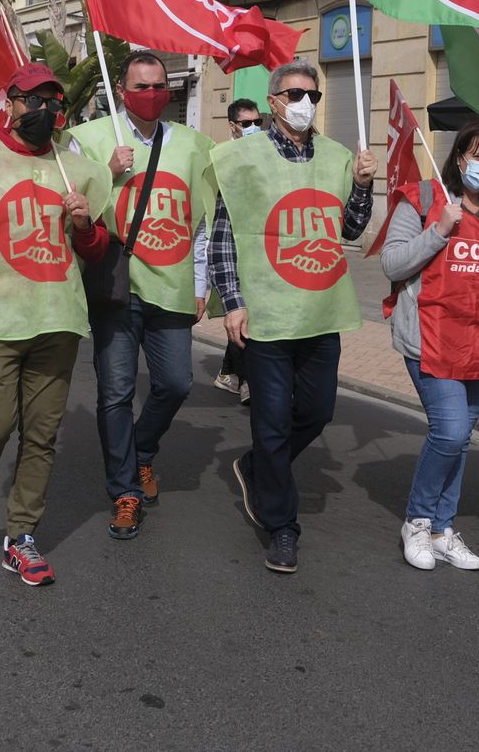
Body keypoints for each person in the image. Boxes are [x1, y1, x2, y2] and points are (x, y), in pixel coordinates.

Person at [0, 63, 110, 586]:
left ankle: (21, 536)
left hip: (56, 321)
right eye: (32, 100)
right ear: (9, 104)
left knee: (42, 434)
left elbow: (93, 251)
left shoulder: (77, 170)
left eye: (52, 102)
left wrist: (82, 225)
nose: (42, 110)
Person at [209, 59, 376, 574]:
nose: (305, 104)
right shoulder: (241, 157)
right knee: (273, 420)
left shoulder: (338, 157)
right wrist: (232, 302)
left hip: (321, 310)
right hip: (267, 315)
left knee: (318, 411)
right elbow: (223, 235)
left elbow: (350, 229)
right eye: (295, 94)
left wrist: (365, 184)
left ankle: (257, 466)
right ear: (274, 100)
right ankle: (282, 525)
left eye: (314, 95)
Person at [68, 52, 214, 540]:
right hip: (117, 287)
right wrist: (105, 173)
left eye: (158, 86)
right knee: (116, 391)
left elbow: (201, 222)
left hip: (171, 288)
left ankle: (143, 451)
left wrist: (200, 284)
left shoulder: (195, 145)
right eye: (140, 86)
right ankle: (125, 490)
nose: (150, 94)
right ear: (123, 89)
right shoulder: (90, 141)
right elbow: (68, 209)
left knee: (176, 384)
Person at [380, 121, 479, 572]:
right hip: (432, 340)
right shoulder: (425, 200)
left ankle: (443, 529)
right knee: (449, 432)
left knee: (461, 440)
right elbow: (392, 261)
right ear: (458, 157)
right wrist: (438, 232)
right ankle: (417, 520)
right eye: (478, 155)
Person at [213, 97, 264, 405]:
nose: (254, 128)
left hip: (262, 253)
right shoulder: (223, 159)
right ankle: (246, 381)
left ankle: (228, 372)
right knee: (243, 316)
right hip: (234, 252)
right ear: (233, 127)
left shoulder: (266, 155)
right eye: (247, 124)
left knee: (248, 317)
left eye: (259, 122)